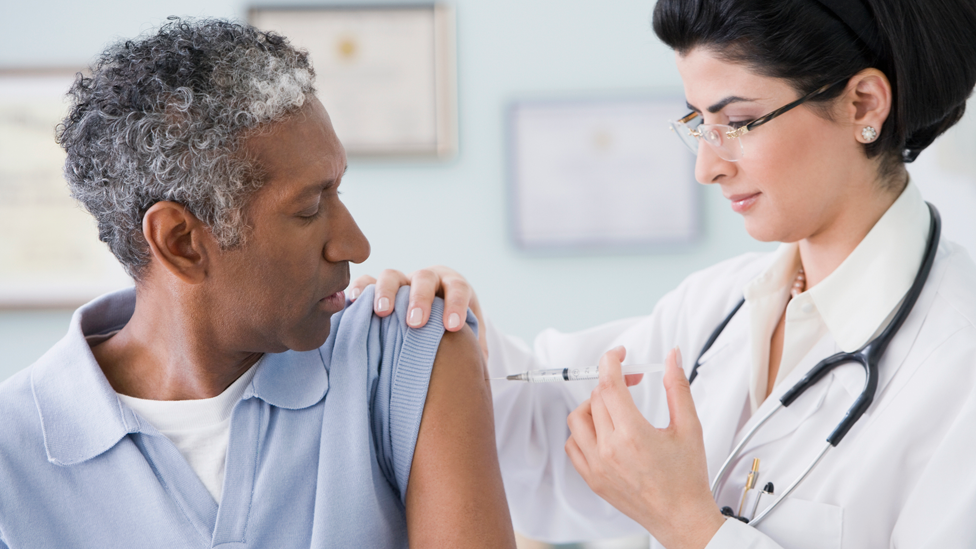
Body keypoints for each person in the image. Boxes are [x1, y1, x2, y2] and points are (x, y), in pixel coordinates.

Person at [354, 0, 976, 547]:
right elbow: (546, 437)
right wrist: (450, 337)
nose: (707, 166)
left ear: (862, 103)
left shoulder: (957, 365)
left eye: (737, 122)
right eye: (698, 122)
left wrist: (689, 526)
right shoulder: (714, 310)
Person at [0, 19, 515, 549]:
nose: (356, 246)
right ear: (181, 241)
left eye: (337, 191)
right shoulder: (12, 453)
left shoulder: (407, 351)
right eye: (310, 208)